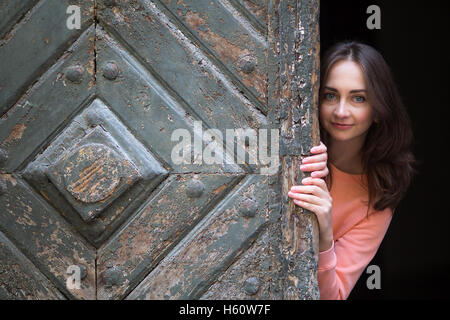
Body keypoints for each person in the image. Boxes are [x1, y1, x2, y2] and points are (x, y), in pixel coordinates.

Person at [287, 41, 417, 300]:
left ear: (378, 110)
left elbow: (331, 298)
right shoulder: (293, 151)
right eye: (330, 95)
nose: (341, 111)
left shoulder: (377, 202)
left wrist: (324, 233)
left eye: (358, 98)